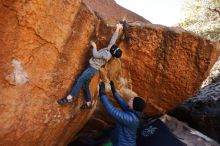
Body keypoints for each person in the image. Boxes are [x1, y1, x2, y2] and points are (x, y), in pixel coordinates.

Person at [57, 24, 123, 110]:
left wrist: (94, 47)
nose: (111, 45)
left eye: (112, 46)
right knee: (85, 85)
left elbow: (95, 54)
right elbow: (113, 40)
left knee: (80, 80)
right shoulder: (110, 50)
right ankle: (88, 103)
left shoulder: (106, 54)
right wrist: (117, 29)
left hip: (92, 69)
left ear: (112, 50)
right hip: (93, 70)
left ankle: (70, 97)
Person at [99, 81, 146, 146]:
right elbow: (122, 103)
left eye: (133, 100)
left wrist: (102, 95)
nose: (131, 98)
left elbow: (112, 111)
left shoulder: (131, 119)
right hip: (116, 141)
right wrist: (114, 91)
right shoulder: (133, 112)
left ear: (134, 105)